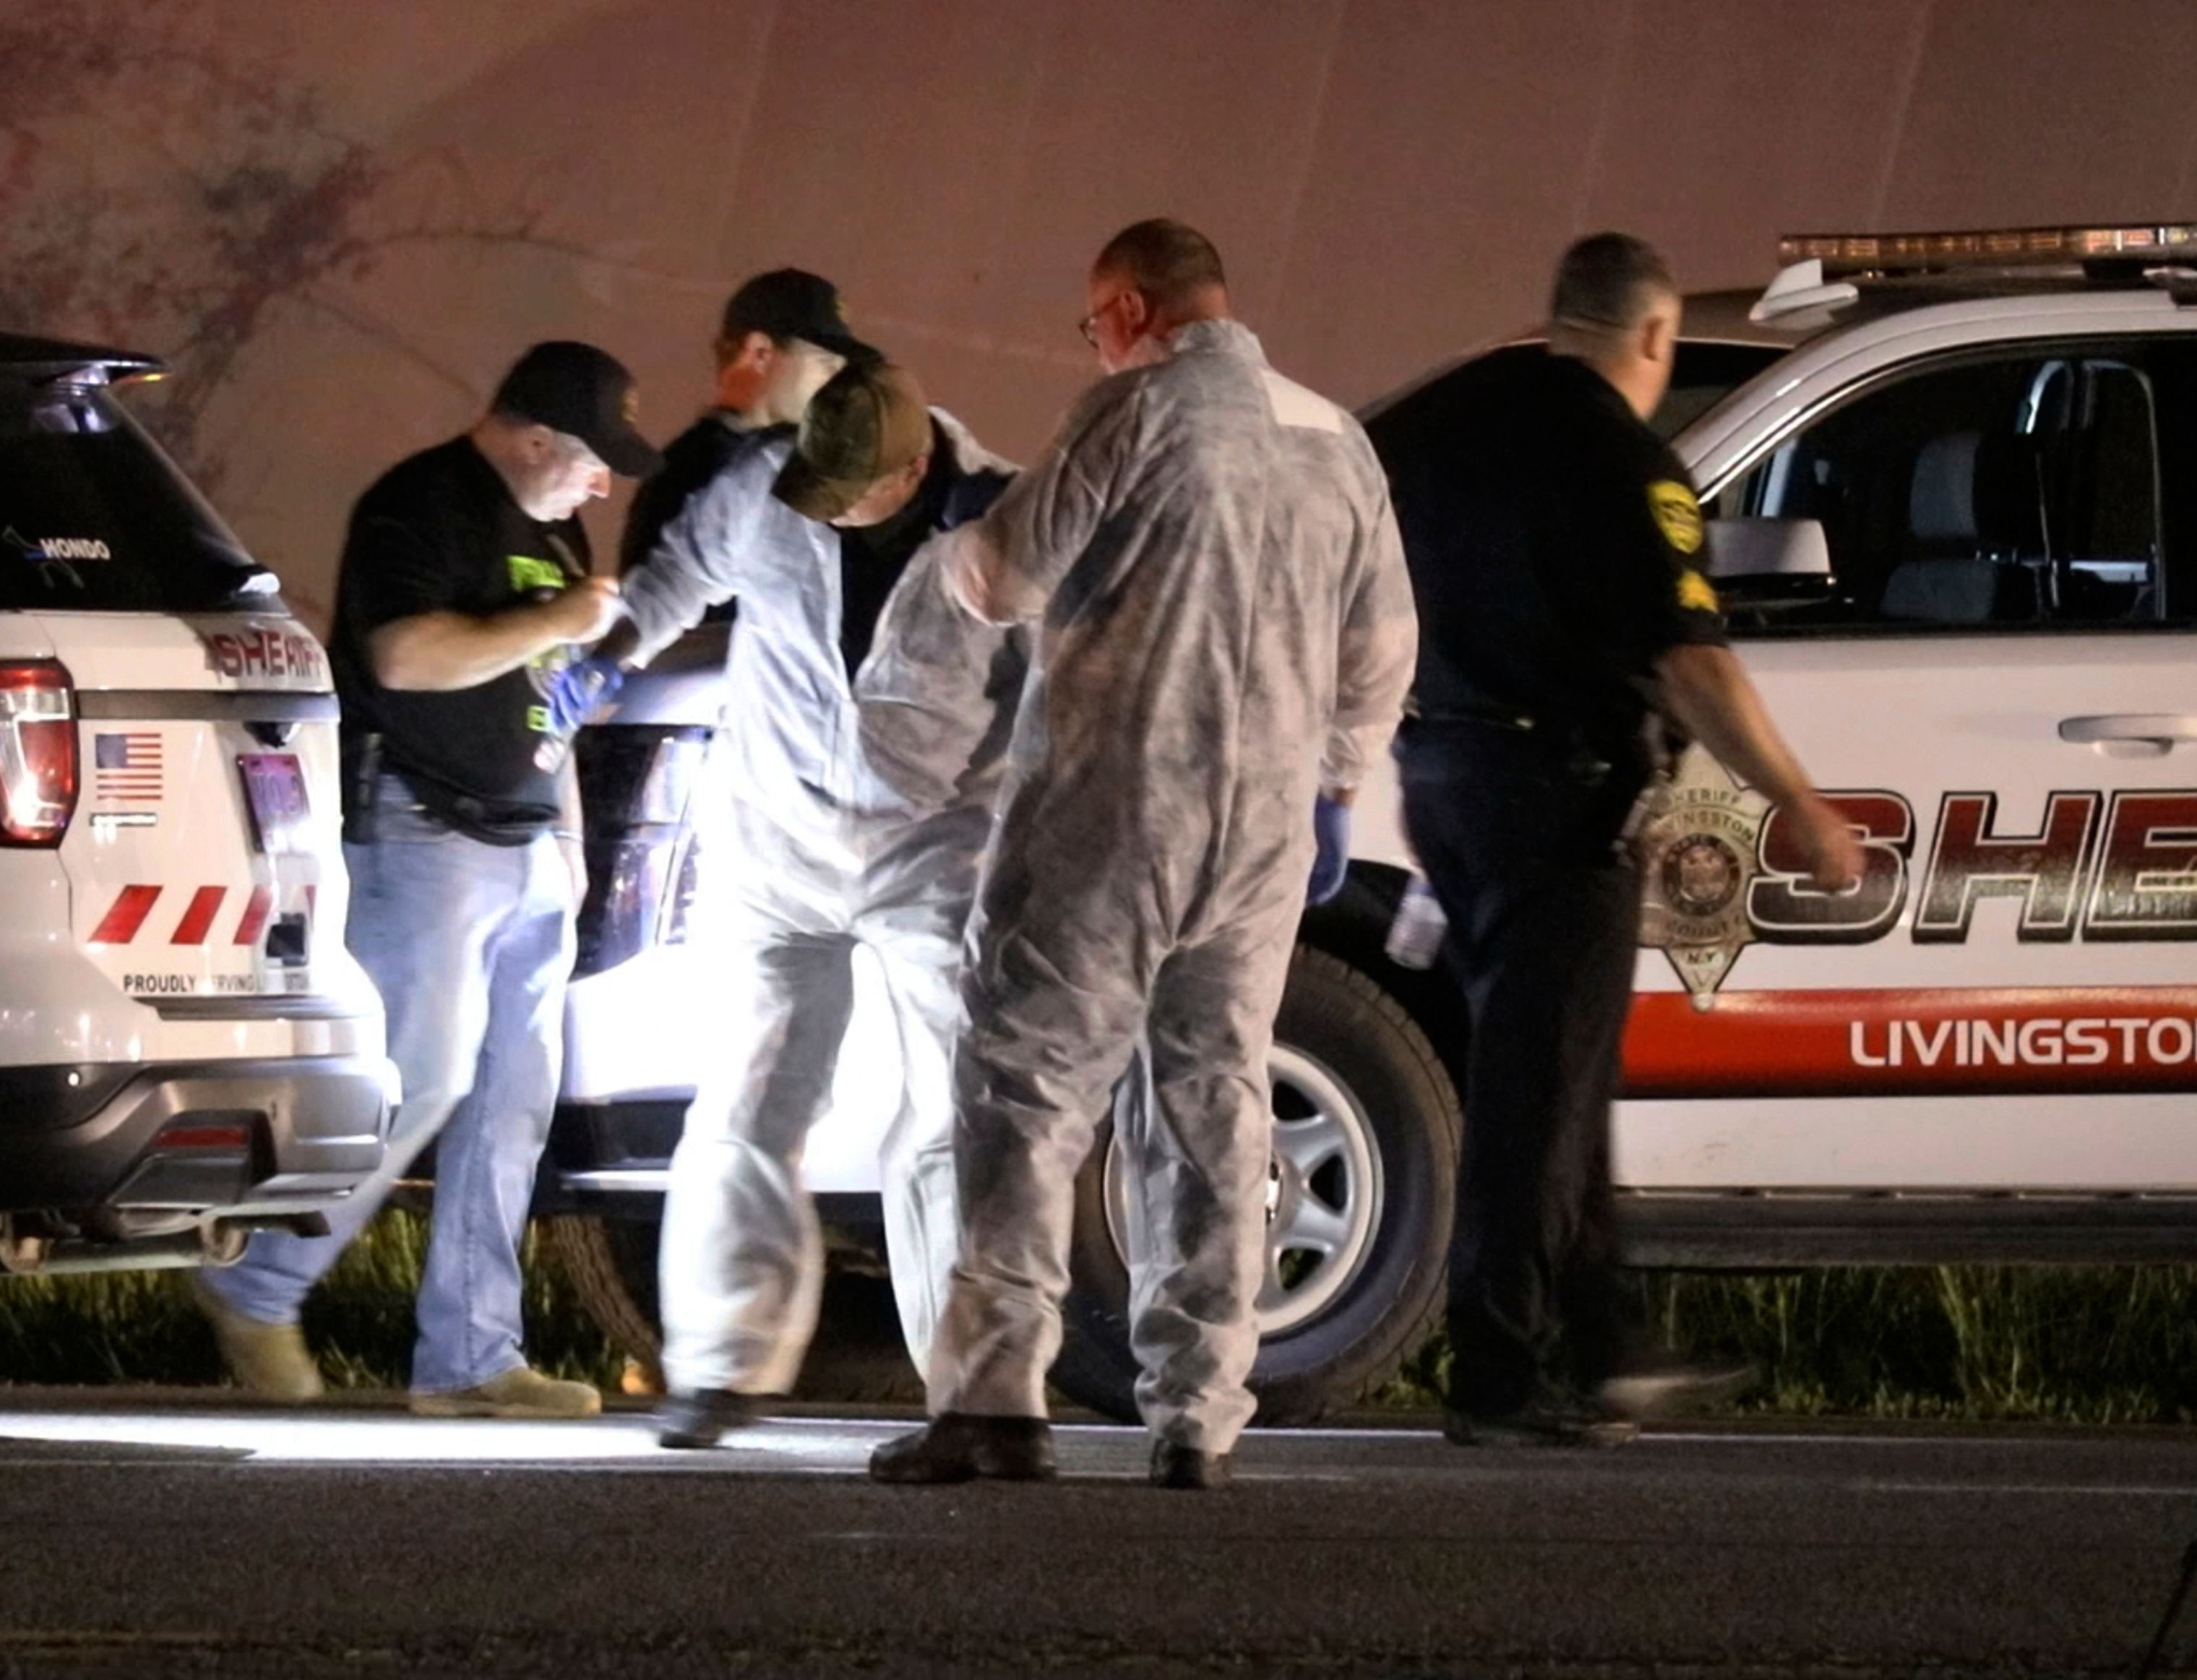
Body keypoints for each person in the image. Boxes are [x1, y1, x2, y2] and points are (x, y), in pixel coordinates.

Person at [872, 220, 1416, 1491]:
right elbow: (1384, 647)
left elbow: (1007, 578)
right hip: (1268, 828)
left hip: (1114, 805)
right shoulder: (1340, 440)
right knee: (1214, 1100)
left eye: (1090, 323)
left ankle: (995, 1402)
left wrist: (956, 541)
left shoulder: (1135, 416)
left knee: (1025, 1088)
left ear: (1126, 308)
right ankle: (1199, 1413)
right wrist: (1334, 780)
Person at [1373, 233, 1865, 1447]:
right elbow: (1688, 655)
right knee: (1537, 1094)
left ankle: (1600, 1342)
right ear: (1651, 337)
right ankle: (1500, 1370)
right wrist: (1796, 802)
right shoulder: (1617, 459)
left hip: (1437, 771)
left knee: (1558, 1071)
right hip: (1561, 791)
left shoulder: (1435, 420)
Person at [190, 340, 658, 1417]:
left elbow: (554, 693)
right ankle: (254, 1284)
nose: (602, 485)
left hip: (533, 843)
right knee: (422, 1076)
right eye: (592, 461)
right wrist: (557, 621)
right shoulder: (423, 503)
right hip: (425, 833)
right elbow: (403, 658)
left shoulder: (552, 522)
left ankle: (473, 1360)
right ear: (535, 436)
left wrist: (569, 841)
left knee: (511, 1106)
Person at [604, 358, 1026, 1449]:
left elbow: (1057, 684)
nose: (828, 512)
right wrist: (607, 654)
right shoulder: (764, 486)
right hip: (775, 846)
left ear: (918, 466)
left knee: (947, 1115)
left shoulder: (1008, 522)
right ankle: (718, 1367)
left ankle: (976, 1394)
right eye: (816, 487)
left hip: (931, 847)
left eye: (857, 495)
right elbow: (677, 576)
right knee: (744, 1102)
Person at [621, 268, 874, 582]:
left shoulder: (792, 470)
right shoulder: (692, 475)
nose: (836, 385)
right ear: (760, 354)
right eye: (825, 365)